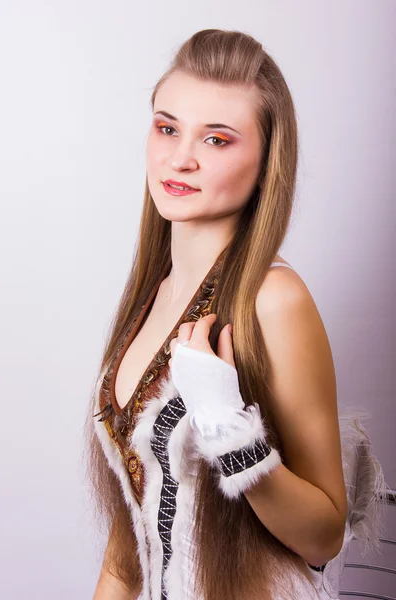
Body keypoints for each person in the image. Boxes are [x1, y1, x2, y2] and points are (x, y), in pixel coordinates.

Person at [85, 28, 352, 600]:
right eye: (167, 127)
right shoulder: (147, 301)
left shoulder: (274, 301)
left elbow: (324, 537)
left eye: (218, 140)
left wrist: (231, 434)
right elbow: (126, 554)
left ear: (265, 161)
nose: (180, 158)